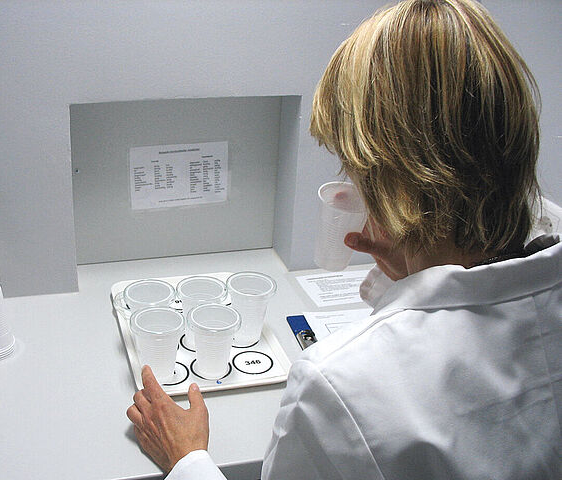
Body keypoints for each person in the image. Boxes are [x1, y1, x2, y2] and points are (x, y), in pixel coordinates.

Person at [126, 0, 562, 478]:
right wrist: (416, 257)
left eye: (355, 168)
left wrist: (187, 460)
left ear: (394, 180)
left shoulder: (340, 385)